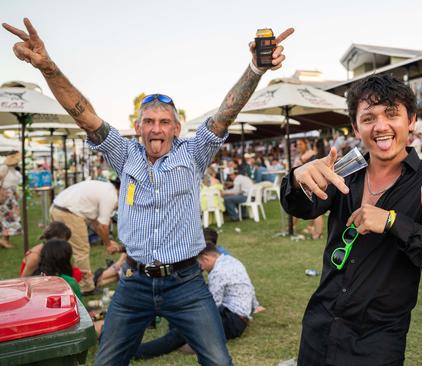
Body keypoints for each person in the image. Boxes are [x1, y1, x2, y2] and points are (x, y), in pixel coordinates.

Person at [3, 18, 292, 366]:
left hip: (186, 283)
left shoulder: (193, 152)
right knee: (107, 361)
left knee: (219, 361)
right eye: (149, 121)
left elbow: (225, 114)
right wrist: (48, 68)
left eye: (164, 121)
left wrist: (255, 69)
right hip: (134, 282)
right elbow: (85, 116)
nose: (156, 129)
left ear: (176, 127)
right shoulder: (124, 155)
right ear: (138, 127)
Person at [281, 74, 422, 365]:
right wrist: (297, 179)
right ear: (356, 127)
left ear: (411, 120)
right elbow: (303, 208)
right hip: (320, 328)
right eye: (369, 118)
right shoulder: (344, 169)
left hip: (376, 341)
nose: (381, 126)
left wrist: (394, 222)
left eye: (392, 114)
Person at [134, 229, 259, 359]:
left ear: (205, 257)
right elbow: (249, 287)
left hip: (232, 320)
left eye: (200, 264)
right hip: (238, 317)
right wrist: (254, 307)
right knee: (187, 320)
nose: (202, 268)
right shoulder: (232, 261)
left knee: (182, 331)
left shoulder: (218, 272)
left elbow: (210, 308)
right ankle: (184, 334)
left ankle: (139, 352)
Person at [49, 179, 121, 294]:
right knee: (81, 250)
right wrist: (108, 244)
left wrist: (108, 241)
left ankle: (56, 280)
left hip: (57, 208)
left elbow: (96, 223)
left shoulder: (104, 188)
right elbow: (103, 226)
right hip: (70, 213)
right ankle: (86, 287)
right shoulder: (111, 196)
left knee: (58, 249)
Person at [0, 152, 22, 248]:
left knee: (11, 217)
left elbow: (13, 183)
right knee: (7, 217)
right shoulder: (4, 168)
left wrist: (15, 193)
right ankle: (4, 239)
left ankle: (6, 239)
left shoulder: (13, 169)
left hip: (11, 196)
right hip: (5, 196)